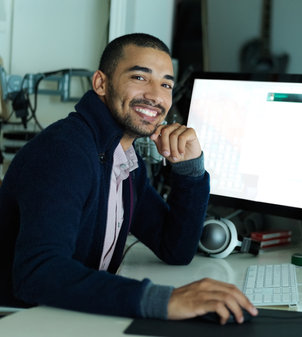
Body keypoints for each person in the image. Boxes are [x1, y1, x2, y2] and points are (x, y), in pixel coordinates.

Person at [0, 33, 257, 325]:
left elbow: (175, 248)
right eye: (139, 77)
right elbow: (38, 274)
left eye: (165, 84)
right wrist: (165, 300)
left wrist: (190, 168)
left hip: (70, 315)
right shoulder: (64, 151)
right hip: (22, 322)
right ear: (101, 83)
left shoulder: (124, 160)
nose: (155, 96)